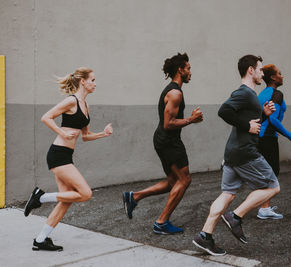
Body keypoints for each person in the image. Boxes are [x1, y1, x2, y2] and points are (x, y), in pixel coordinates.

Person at [192, 55, 280, 256]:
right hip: (244, 152)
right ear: (250, 70)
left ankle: (204, 236)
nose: (262, 73)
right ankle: (236, 217)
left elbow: (248, 120)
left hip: (233, 152)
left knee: (228, 193)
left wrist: (263, 115)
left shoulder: (250, 96)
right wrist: (247, 125)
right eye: (259, 69)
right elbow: (224, 111)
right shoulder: (244, 93)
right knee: (273, 186)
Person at [23, 67, 113, 251]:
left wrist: (104, 134)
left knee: (66, 201)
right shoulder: (71, 101)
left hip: (65, 155)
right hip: (58, 154)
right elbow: (46, 117)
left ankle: (40, 240)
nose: (95, 84)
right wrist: (61, 131)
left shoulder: (85, 106)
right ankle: (40, 197)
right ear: (83, 82)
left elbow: (85, 136)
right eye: (93, 80)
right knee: (86, 193)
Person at [122, 53, 203, 234]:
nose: (191, 72)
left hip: (166, 140)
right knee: (185, 179)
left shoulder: (175, 91)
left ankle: (134, 196)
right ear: (180, 70)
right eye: (188, 69)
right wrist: (192, 119)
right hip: (169, 141)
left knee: (173, 181)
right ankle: (161, 222)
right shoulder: (175, 93)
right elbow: (168, 124)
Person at [256, 64, 291, 220]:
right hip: (267, 138)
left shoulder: (263, 93)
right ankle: (264, 208)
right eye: (280, 73)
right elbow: (272, 119)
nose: (282, 76)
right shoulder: (276, 94)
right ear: (273, 77)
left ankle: (265, 206)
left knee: (267, 172)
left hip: (262, 137)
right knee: (271, 172)